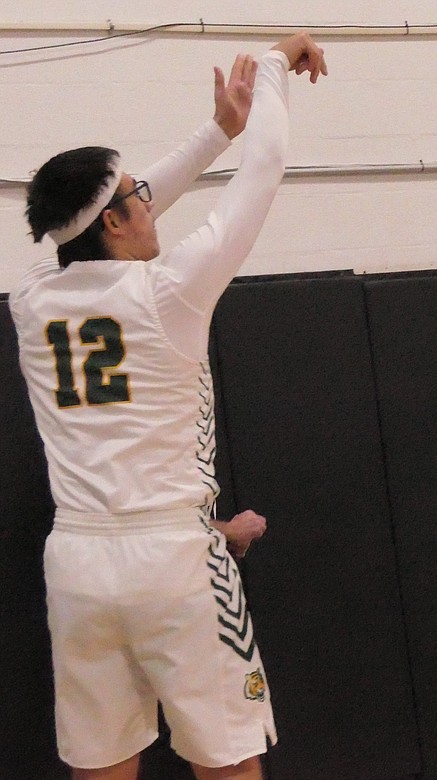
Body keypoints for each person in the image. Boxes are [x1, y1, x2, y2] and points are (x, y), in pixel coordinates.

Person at [10, 33, 327, 780]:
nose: (151, 204)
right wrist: (276, 67)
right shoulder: (169, 291)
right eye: (135, 201)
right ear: (115, 223)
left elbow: (90, 224)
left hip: (78, 565)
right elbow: (269, 167)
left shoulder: (31, 301)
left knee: (104, 765)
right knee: (226, 763)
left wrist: (218, 129)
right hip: (173, 563)